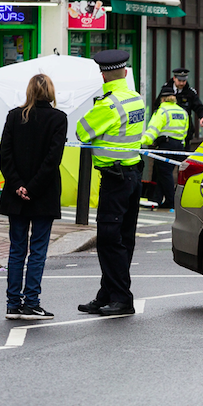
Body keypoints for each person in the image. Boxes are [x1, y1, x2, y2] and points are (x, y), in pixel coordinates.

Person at [76, 50, 146, 316]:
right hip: (133, 175)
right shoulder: (136, 99)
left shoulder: (108, 105)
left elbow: (82, 131)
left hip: (115, 179)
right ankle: (107, 294)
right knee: (123, 238)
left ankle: (122, 298)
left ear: (103, 75)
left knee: (107, 238)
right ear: (125, 73)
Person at [0, 74, 66, 320]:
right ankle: (32, 303)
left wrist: (18, 185)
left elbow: (5, 154)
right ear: (50, 92)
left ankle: (12, 304)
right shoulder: (58, 119)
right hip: (43, 194)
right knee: (37, 250)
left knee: (17, 249)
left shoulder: (14, 116)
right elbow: (52, 159)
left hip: (15, 194)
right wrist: (34, 188)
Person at [141, 86, 190, 208]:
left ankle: (171, 201)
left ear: (162, 99)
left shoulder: (162, 111)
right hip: (179, 146)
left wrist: (142, 142)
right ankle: (157, 199)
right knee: (162, 172)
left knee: (165, 173)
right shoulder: (182, 112)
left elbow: (153, 130)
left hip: (166, 145)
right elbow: (185, 131)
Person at [158, 68, 203, 145]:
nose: (181, 83)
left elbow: (199, 107)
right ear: (174, 78)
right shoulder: (166, 91)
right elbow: (157, 107)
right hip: (166, 134)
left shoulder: (189, 93)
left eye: (184, 81)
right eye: (179, 80)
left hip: (185, 135)